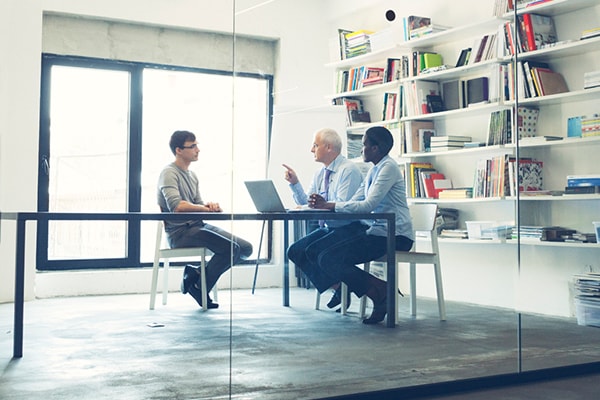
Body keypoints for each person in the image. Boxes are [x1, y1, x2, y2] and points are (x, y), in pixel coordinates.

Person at [308, 126, 414, 325]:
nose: (361, 149)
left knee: (329, 257)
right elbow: (356, 201)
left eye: (364, 145)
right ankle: (380, 289)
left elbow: (367, 205)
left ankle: (380, 293)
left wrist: (329, 205)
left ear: (375, 148)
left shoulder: (388, 168)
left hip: (396, 236)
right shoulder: (374, 169)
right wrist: (327, 205)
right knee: (325, 256)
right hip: (377, 233)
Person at [157, 130, 253, 309]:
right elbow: (176, 206)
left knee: (245, 248)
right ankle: (199, 286)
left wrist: (210, 207)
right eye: (192, 146)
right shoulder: (169, 173)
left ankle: (197, 278)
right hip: (180, 233)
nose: (197, 150)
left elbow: (198, 206)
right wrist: (203, 208)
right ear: (178, 150)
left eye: (196, 145)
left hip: (197, 227)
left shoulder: (192, 175)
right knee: (231, 249)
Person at [284, 128, 363, 310]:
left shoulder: (348, 170)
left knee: (314, 251)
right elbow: (309, 203)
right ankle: (339, 287)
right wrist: (295, 183)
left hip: (350, 227)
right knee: (295, 251)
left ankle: (349, 285)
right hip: (331, 227)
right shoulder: (321, 173)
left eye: (315, 145)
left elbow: (342, 206)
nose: (312, 150)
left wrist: (324, 203)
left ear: (328, 147)